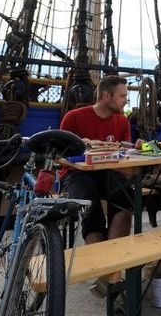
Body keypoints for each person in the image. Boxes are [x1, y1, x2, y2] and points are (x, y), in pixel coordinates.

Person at [60, 75, 140, 293]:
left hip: (108, 171)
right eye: (122, 96)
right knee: (90, 206)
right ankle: (111, 275)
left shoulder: (122, 121)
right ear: (106, 96)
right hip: (75, 173)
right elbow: (61, 155)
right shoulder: (74, 117)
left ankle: (109, 274)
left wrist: (136, 148)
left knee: (125, 200)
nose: (126, 101)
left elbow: (124, 152)